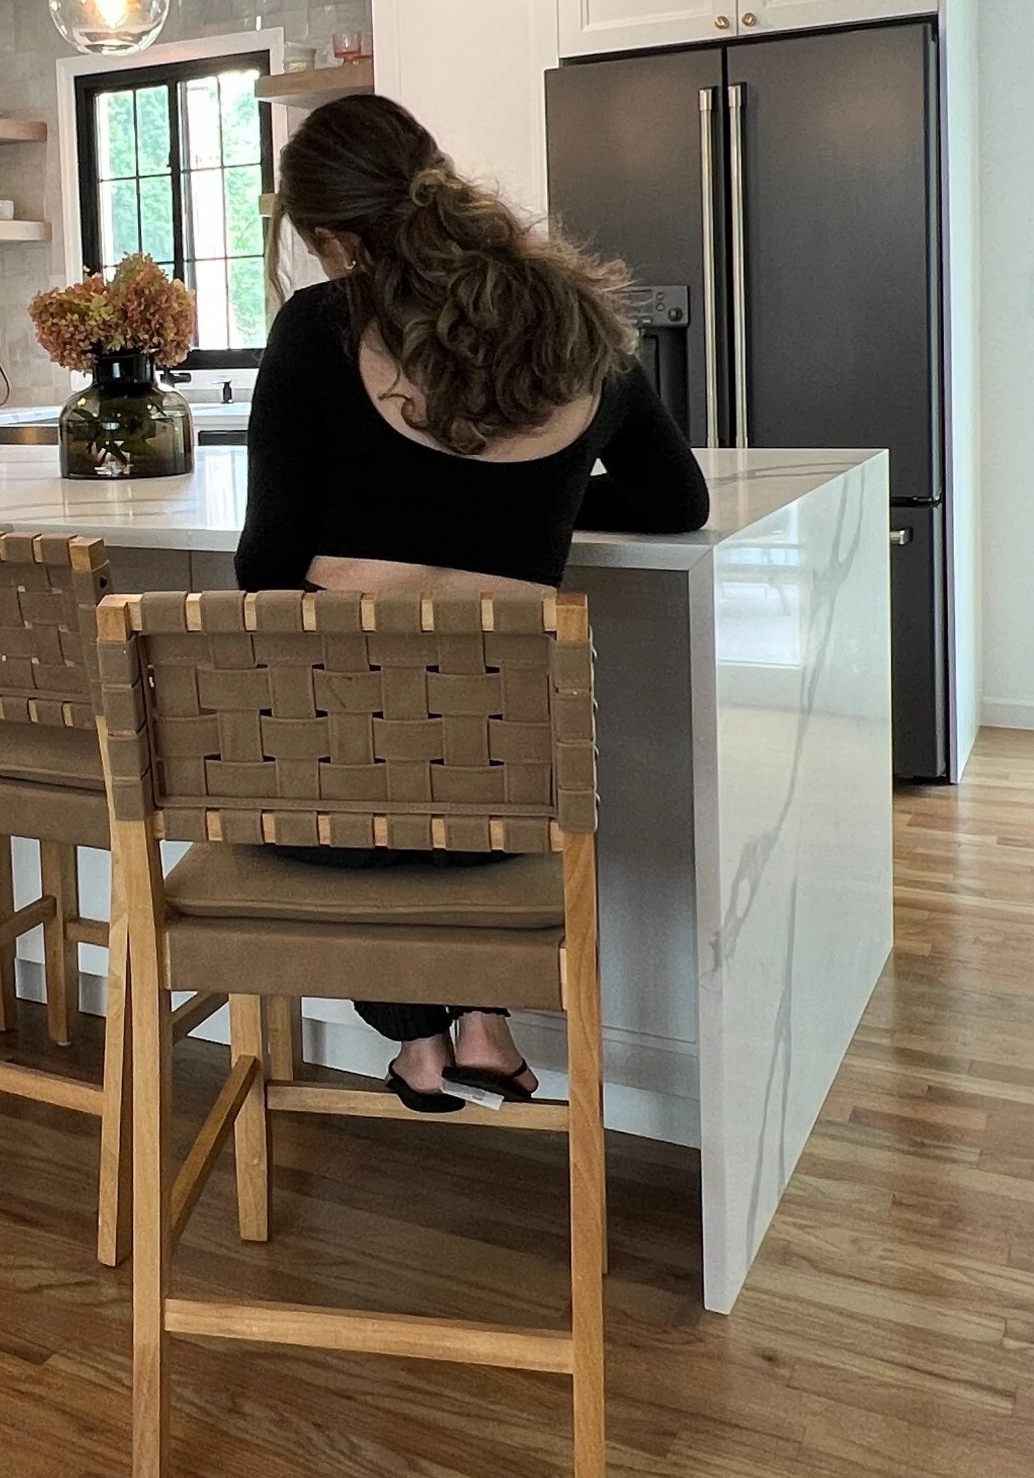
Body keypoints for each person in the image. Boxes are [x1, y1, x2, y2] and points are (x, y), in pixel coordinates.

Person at [235, 93, 710, 1112]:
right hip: (510, 790)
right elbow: (677, 500)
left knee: (345, 779)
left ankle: (418, 1038)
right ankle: (482, 1022)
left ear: (328, 237)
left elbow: (265, 567)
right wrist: (530, 492)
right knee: (435, 792)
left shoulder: (318, 328)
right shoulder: (581, 321)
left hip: (334, 799)